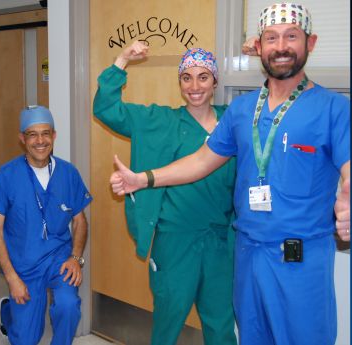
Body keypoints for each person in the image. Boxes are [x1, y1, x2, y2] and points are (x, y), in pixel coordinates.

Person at [110, 3, 350, 345]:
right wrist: (144, 179)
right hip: (248, 253)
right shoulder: (240, 111)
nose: (281, 46)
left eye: (291, 37)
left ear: (310, 43)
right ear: (261, 47)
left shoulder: (334, 109)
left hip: (299, 258)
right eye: (271, 38)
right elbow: (201, 161)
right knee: (250, 335)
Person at [93, 43, 237, 345]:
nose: (194, 86)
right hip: (175, 241)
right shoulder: (160, 121)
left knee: (221, 324)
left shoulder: (233, 122)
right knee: (168, 322)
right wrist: (121, 62)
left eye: (203, 77)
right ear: (179, 83)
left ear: (215, 82)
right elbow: (106, 109)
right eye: (186, 77)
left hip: (221, 242)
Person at [0, 105, 92, 345]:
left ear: (54, 136)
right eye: (32, 134)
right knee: (26, 339)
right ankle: (8, 311)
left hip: (59, 259)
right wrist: (12, 278)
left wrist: (75, 257)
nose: (40, 141)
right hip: (23, 264)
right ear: (22, 139)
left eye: (46, 133)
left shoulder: (68, 173)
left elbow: (79, 220)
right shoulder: (7, 176)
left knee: (68, 306)